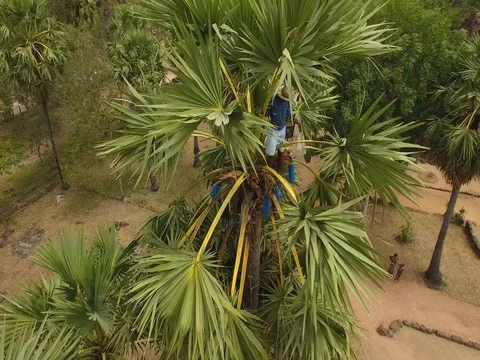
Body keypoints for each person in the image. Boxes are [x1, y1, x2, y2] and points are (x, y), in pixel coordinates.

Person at [265, 86, 294, 171]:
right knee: (270, 153)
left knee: (281, 150)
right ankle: (269, 172)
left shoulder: (286, 102)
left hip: (282, 128)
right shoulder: (273, 100)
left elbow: (288, 113)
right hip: (273, 130)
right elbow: (267, 113)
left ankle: (280, 169)